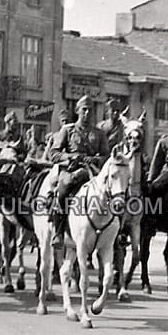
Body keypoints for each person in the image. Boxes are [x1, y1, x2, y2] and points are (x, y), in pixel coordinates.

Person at [47, 95, 110, 245]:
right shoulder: (67, 131)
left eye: (90, 110)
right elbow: (53, 153)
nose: (87, 113)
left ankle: (114, 233)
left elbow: (106, 156)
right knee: (61, 194)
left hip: (92, 174)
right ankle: (59, 232)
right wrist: (70, 157)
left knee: (111, 196)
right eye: (84, 110)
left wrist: (95, 159)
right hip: (70, 173)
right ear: (77, 111)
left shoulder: (99, 134)